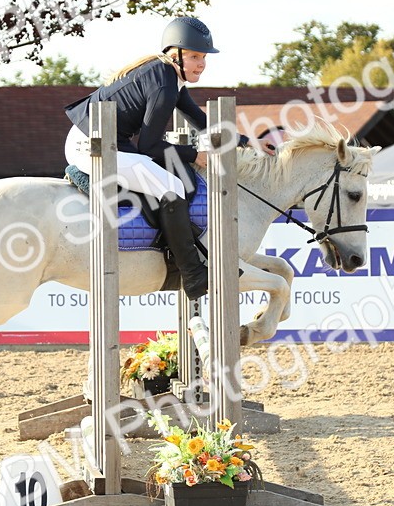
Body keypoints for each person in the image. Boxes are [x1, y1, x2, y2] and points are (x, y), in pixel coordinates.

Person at [64, 17, 265, 298]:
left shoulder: (169, 77)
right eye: (195, 56)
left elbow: (200, 120)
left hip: (102, 141)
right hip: (92, 147)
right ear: (176, 55)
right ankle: (194, 274)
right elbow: (149, 147)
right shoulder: (164, 85)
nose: (202, 64)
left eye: (204, 57)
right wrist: (196, 154)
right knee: (172, 187)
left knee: (168, 176)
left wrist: (249, 143)